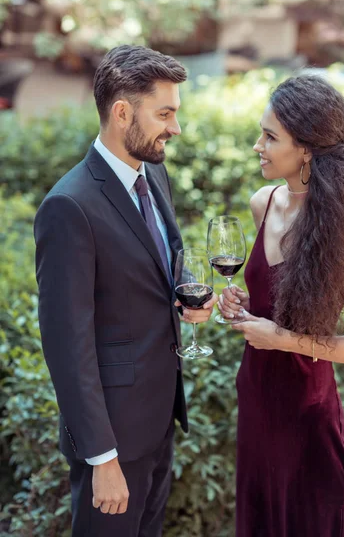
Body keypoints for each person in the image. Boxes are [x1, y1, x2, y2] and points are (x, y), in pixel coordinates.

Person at [34, 45, 217, 537]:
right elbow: (66, 346)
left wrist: (186, 297)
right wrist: (103, 458)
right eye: (164, 114)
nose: (175, 128)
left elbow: (167, 257)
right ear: (121, 113)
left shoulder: (153, 171)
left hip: (159, 420)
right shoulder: (68, 207)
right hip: (112, 441)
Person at [218, 74, 344, 537]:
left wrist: (283, 340)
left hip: (309, 418)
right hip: (256, 404)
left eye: (271, 136)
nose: (258, 145)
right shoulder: (263, 203)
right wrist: (237, 303)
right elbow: (272, 299)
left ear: (308, 149)